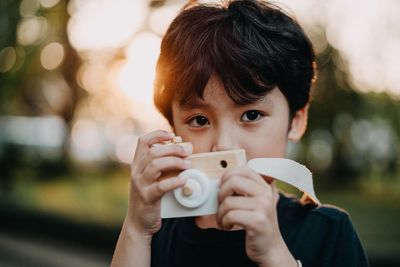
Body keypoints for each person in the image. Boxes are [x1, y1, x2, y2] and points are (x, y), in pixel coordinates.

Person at [111, 0, 369, 266]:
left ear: (296, 121)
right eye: (199, 120)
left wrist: (274, 254)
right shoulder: (153, 232)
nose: (224, 145)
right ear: (174, 129)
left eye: (252, 115)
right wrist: (136, 228)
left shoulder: (329, 233)